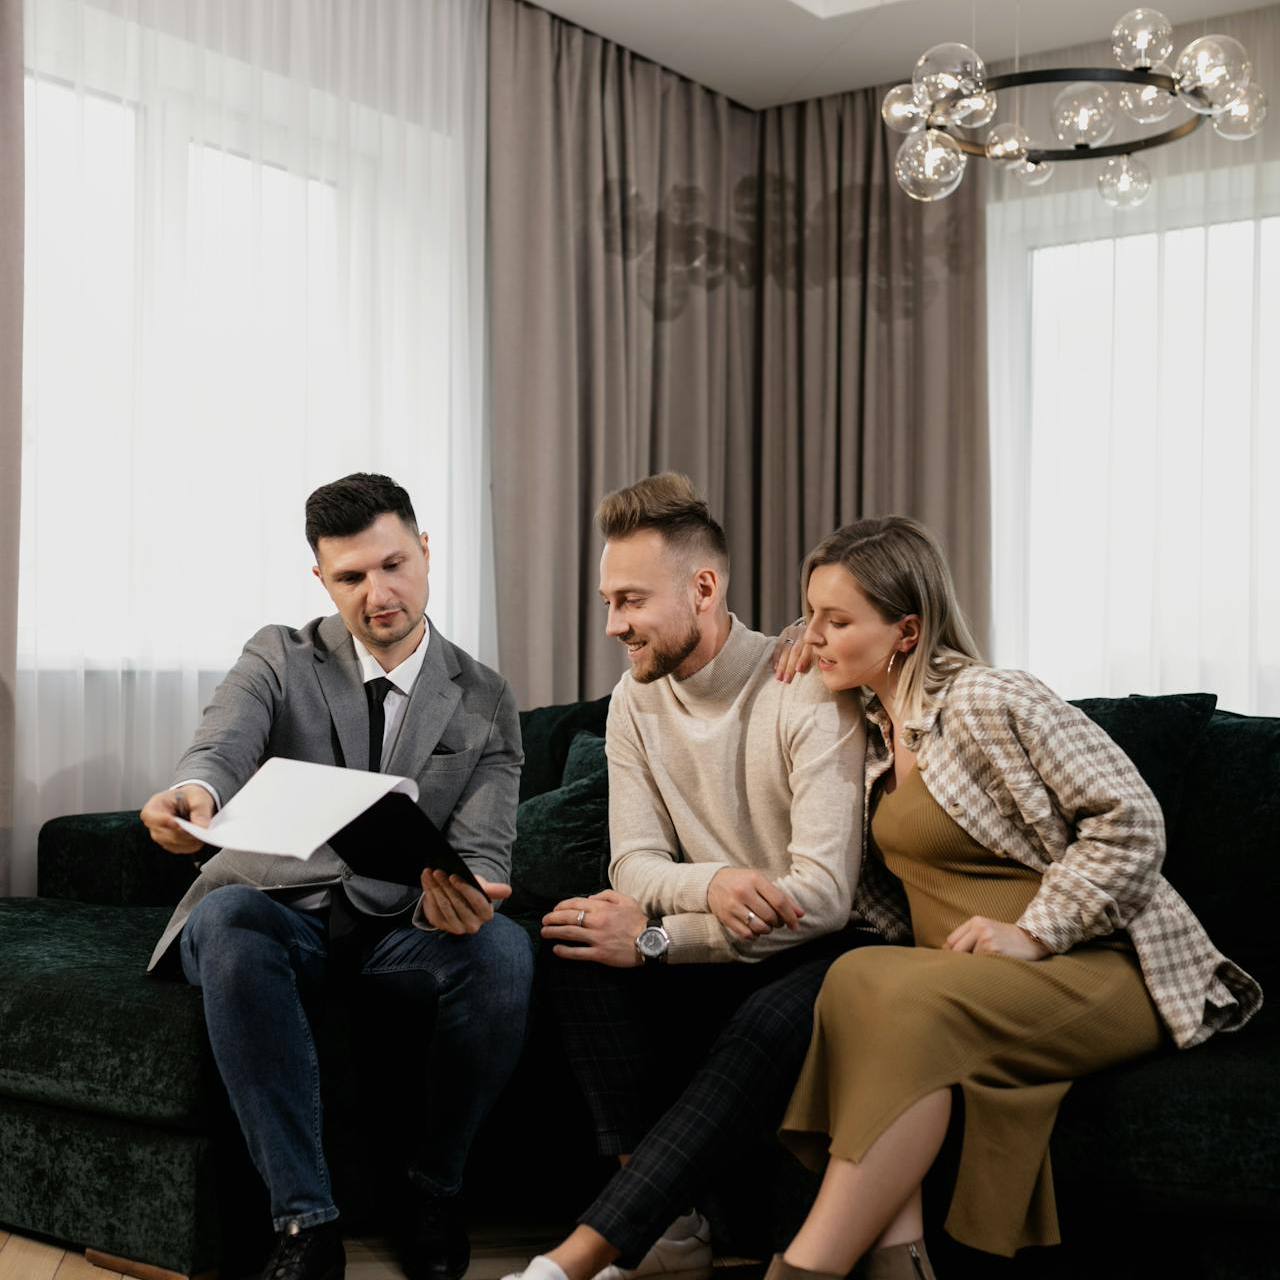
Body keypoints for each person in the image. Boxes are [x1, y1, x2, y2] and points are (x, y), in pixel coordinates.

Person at [763, 515, 1263, 1280]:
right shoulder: (863, 728)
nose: (816, 636)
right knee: (858, 977)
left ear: (907, 631)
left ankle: (808, 1268)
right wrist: (796, 641)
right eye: (810, 616)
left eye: (837, 620)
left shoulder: (991, 699)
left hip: (1096, 966)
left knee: (887, 992)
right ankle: (900, 1265)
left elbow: (1131, 820)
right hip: (966, 978)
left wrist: (1035, 932)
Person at [506, 474, 911, 1280]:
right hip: (724, 930)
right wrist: (716, 882)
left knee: (763, 1015)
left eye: (631, 601)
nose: (614, 624)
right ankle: (672, 1229)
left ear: (702, 588)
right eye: (608, 602)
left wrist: (659, 938)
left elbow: (822, 897)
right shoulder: (634, 701)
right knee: (575, 944)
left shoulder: (805, 685)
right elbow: (633, 862)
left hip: (825, 945)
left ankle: (579, 1256)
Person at [140, 473, 533, 1280]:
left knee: (504, 953)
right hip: (278, 911)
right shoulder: (279, 654)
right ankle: (304, 1223)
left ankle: (434, 1191)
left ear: (426, 552)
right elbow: (220, 744)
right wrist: (194, 794)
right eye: (351, 577)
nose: (377, 594)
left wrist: (472, 896)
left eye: (393, 565)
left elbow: (487, 849)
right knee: (227, 919)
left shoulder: (486, 697)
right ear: (322, 579)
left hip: (403, 929)